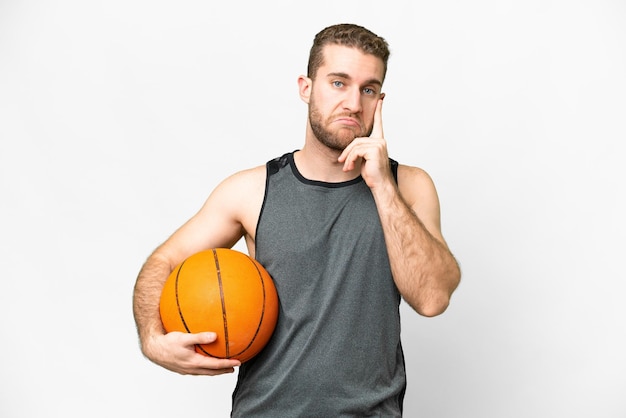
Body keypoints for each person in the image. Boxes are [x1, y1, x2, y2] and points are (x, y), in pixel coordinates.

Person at [133, 23, 461, 416]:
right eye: (338, 83)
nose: (354, 104)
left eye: (368, 89)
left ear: (380, 100)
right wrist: (153, 339)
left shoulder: (408, 187)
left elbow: (432, 299)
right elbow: (163, 262)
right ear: (306, 87)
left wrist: (382, 187)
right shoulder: (251, 191)